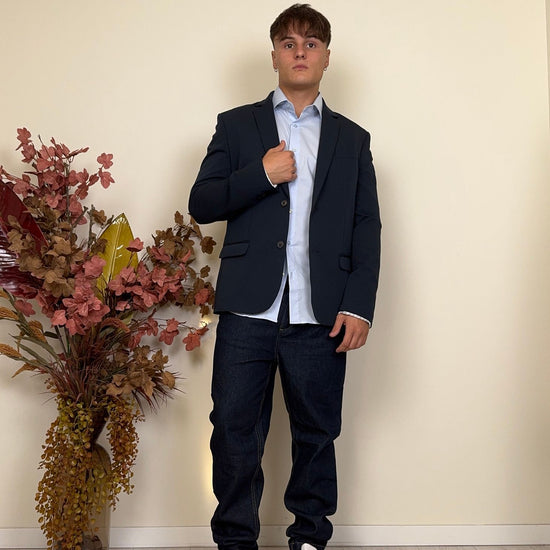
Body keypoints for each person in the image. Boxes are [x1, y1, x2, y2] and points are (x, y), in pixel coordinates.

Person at [188, 4, 381, 550]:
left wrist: (359, 305)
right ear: (273, 55)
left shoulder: (353, 139)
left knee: (317, 433)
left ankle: (309, 539)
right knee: (233, 430)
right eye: (289, 43)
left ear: (326, 57)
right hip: (249, 307)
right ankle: (235, 541)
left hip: (321, 311)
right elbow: (202, 202)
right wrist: (261, 174)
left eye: (311, 44)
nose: (300, 52)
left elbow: (366, 226)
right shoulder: (236, 125)